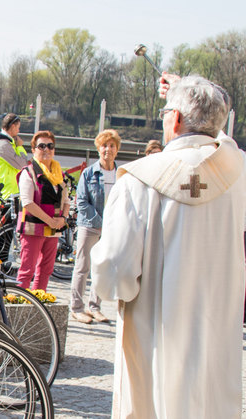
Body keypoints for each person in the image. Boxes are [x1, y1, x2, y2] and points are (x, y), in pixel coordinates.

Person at [91, 75, 245, 418]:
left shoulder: (138, 179)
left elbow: (114, 273)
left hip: (157, 337)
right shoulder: (238, 173)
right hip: (217, 333)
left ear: (174, 120)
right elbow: (225, 140)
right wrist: (194, 91)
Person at [69, 129, 121, 324]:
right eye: (104, 146)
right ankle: (76, 307)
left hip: (112, 229)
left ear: (117, 150)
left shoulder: (121, 173)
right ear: (98, 149)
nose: (107, 149)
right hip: (90, 225)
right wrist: (100, 221)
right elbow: (81, 201)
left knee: (101, 267)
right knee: (82, 266)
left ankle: (94, 307)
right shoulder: (89, 173)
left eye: (111, 146)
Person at [15, 131, 69, 292]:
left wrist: (63, 219)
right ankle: (18, 305)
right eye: (42, 146)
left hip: (53, 230)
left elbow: (66, 200)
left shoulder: (59, 174)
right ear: (34, 150)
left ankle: (39, 303)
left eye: (50, 146)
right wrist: (50, 220)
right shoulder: (29, 172)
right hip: (33, 229)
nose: (46, 149)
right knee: (27, 271)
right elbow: (28, 203)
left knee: (46, 270)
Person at [0, 113, 28, 198]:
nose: (19, 131)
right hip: (9, 193)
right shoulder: (3, 145)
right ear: (13, 126)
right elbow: (23, 164)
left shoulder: (8, 142)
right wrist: (20, 147)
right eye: (18, 128)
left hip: (12, 190)